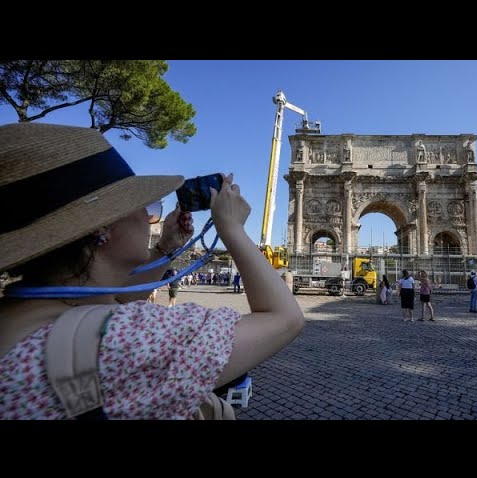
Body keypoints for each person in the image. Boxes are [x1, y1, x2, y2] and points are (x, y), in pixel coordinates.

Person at [0, 123, 304, 419]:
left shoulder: (24, 312)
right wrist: (232, 230)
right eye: (145, 207)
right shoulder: (127, 338)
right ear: (102, 226)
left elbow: (116, 303)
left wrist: (164, 248)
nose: (150, 216)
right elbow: (284, 319)